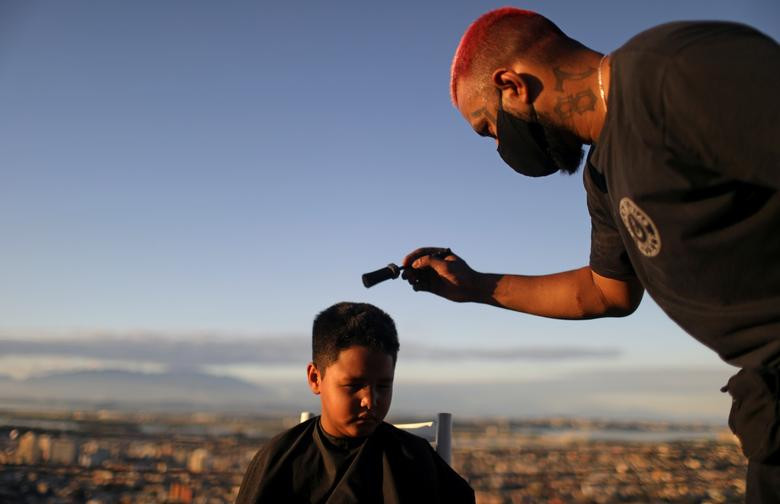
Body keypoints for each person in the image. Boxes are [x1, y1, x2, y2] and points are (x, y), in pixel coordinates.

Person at [401, 7, 779, 502]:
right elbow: (605, 292)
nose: (498, 145)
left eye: (487, 127)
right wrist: (474, 286)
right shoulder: (603, 174)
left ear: (512, 84)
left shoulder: (674, 70)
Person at [235, 302, 475, 503]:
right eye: (353, 385)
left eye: (383, 386)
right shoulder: (277, 461)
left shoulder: (414, 460)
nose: (370, 400)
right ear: (315, 378)